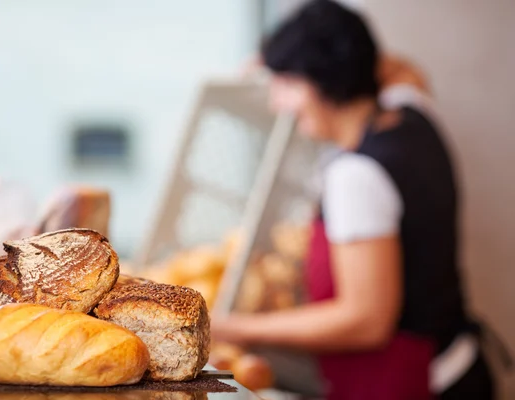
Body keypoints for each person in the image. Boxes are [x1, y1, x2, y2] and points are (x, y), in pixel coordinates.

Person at [210, 1, 495, 399]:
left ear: (323, 81)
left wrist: (230, 327)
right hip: (460, 366)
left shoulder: (355, 177)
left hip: (415, 385)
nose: (277, 104)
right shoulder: (413, 110)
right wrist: (284, 56)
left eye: (287, 85)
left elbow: (365, 321)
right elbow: (402, 67)